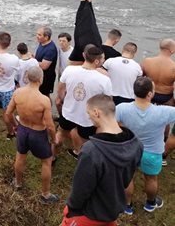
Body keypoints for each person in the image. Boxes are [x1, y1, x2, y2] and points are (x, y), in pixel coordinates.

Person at [61, 94, 143, 226]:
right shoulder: (137, 144)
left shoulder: (91, 150)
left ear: (96, 112)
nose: (89, 117)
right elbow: (128, 179)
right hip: (111, 211)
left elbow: (81, 189)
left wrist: (71, 208)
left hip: (89, 214)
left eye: (89, 113)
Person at [116, 76, 175, 214]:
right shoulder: (163, 112)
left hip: (129, 149)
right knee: (151, 178)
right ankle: (150, 204)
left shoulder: (121, 108)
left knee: (128, 177)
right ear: (150, 94)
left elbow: (112, 124)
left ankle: (127, 206)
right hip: (152, 153)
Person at [5, 67, 58, 204]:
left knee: (20, 156)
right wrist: (53, 138)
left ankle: (18, 183)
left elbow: (7, 114)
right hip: (38, 133)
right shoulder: (44, 100)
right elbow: (50, 125)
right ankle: (45, 194)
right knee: (46, 161)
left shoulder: (18, 93)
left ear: (27, 78)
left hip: (23, 129)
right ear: (41, 79)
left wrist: (16, 126)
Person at [56, 45, 112, 158]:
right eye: (103, 59)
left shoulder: (69, 69)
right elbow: (107, 101)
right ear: (97, 61)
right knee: (85, 140)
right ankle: (80, 156)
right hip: (88, 118)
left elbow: (60, 90)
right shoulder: (104, 80)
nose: (104, 61)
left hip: (68, 112)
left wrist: (63, 101)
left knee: (61, 132)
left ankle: (52, 155)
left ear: (83, 55)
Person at [68, 0, 103, 64]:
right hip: (92, 49)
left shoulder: (80, 38)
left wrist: (84, 2)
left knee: (82, 20)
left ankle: (85, 2)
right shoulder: (96, 39)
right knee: (89, 19)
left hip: (83, 45)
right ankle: (86, 2)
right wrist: (88, 3)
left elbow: (71, 63)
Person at [141, 38, 175, 106]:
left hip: (149, 95)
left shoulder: (147, 61)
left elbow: (139, 80)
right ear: (172, 50)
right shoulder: (173, 66)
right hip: (166, 97)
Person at [34, 26, 58, 97]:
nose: (37, 36)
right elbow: (39, 57)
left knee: (45, 96)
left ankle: (48, 108)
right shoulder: (41, 42)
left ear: (46, 37)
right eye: (37, 34)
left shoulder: (51, 49)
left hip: (47, 78)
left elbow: (44, 66)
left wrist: (32, 61)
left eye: (39, 35)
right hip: (39, 75)